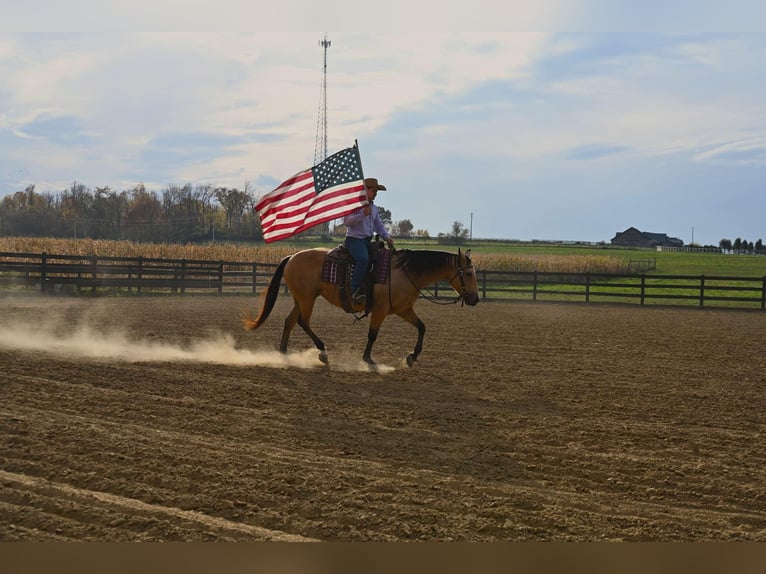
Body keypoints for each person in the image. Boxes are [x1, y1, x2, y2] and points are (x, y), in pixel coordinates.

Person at [344, 177, 394, 304]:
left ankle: (369, 288)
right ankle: (353, 289)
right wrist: (362, 215)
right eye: (374, 191)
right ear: (365, 190)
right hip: (354, 240)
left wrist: (386, 237)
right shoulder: (354, 205)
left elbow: (379, 225)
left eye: (377, 191)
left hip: (366, 241)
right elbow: (347, 222)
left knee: (380, 259)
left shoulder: (374, 208)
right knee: (363, 259)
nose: (376, 194)